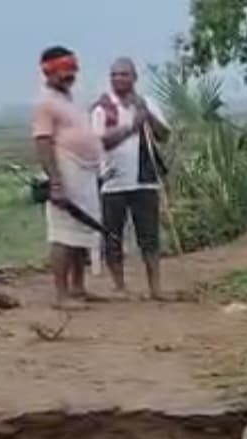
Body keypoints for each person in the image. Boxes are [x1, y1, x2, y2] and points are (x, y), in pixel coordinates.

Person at [91, 57, 171, 300]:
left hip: (144, 179)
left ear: (134, 77)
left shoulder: (147, 103)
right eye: (114, 74)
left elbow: (164, 135)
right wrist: (130, 128)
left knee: (149, 236)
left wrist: (147, 117)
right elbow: (100, 141)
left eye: (124, 74)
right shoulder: (102, 107)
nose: (118, 79)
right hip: (112, 181)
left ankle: (155, 287)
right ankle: (120, 287)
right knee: (113, 236)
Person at [32, 46, 105, 308]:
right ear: (48, 72)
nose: (69, 76)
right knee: (63, 234)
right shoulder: (45, 103)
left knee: (81, 232)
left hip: (85, 173)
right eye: (63, 71)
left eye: (72, 71)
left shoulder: (70, 98)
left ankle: (78, 288)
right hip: (65, 170)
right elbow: (43, 143)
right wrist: (56, 182)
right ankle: (61, 295)